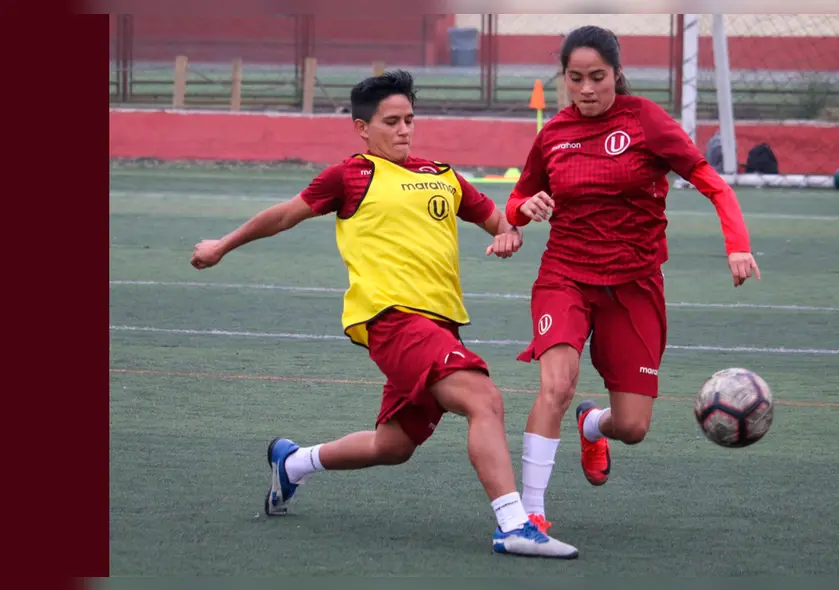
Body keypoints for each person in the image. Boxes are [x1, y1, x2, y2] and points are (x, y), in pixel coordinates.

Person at [189, 70, 579, 559]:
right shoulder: (350, 175)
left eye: (409, 120)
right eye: (391, 121)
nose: (404, 130)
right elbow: (285, 214)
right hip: (391, 320)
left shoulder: (442, 175)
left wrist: (508, 231)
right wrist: (222, 246)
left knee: (392, 446)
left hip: (439, 324)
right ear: (362, 128)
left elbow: (498, 219)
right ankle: (513, 525)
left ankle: (292, 463)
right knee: (484, 398)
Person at [504, 26, 761, 532]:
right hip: (566, 276)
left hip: (634, 284)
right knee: (556, 385)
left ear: (616, 74)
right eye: (575, 78)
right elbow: (517, 199)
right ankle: (528, 514)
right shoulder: (553, 134)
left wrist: (738, 244)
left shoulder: (646, 120)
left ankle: (592, 423)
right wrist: (521, 210)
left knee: (633, 427)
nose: (586, 89)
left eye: (597, 77)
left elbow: (712, 182)